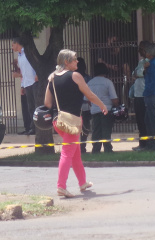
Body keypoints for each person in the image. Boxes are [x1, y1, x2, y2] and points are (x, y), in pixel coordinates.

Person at [45, 50, 107, 198]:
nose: (77, 62)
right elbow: (90, 95)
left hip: (58, 121)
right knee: (67, 153)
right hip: (72, 122)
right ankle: (61, 186)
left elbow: (47, 102)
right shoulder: (76, 76)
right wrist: (102, 105)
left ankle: (82, 182)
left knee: (75, 153)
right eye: (74, 59)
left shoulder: (52, 78)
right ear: (66, 62)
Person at [86, 63, 119, 153]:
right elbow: (114, 98)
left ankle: (95, 149)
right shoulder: (108, 82)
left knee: (96, 131)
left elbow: (87, 99)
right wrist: (117, 106)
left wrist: (93, 105)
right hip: (107, 110)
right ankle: (108, 149)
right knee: (106, 130)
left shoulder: (90, 83)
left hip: (95, 110)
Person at [11, 37, 41, 135]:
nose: (12, 47)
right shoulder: (19, 56)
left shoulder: (27, 53)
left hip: (34, 82)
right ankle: (32, 128)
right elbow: (24, 72)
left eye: (13, 45)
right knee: (30, 107)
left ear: (17, 44)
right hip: (27, 83)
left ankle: (37, 128)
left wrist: (38, 74)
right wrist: (22, 86)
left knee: (36, 106)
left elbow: (36, 65)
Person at [132, 41, 151, 151]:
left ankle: (147, 144)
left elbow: (139, 73)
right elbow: (134, 73)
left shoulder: (150, 62)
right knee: (139, 120)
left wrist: (138, 73)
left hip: (145, 94)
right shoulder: (141, 62)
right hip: (137, 94)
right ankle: (142, 144)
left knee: (145, 120)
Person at [75, 57, 93, 153]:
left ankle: (78, 147)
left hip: (75, 107)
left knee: (76, 128)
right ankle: (83, 145)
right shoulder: (88, 78)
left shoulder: (72, 78)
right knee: (85, 127)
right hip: (86, 106)